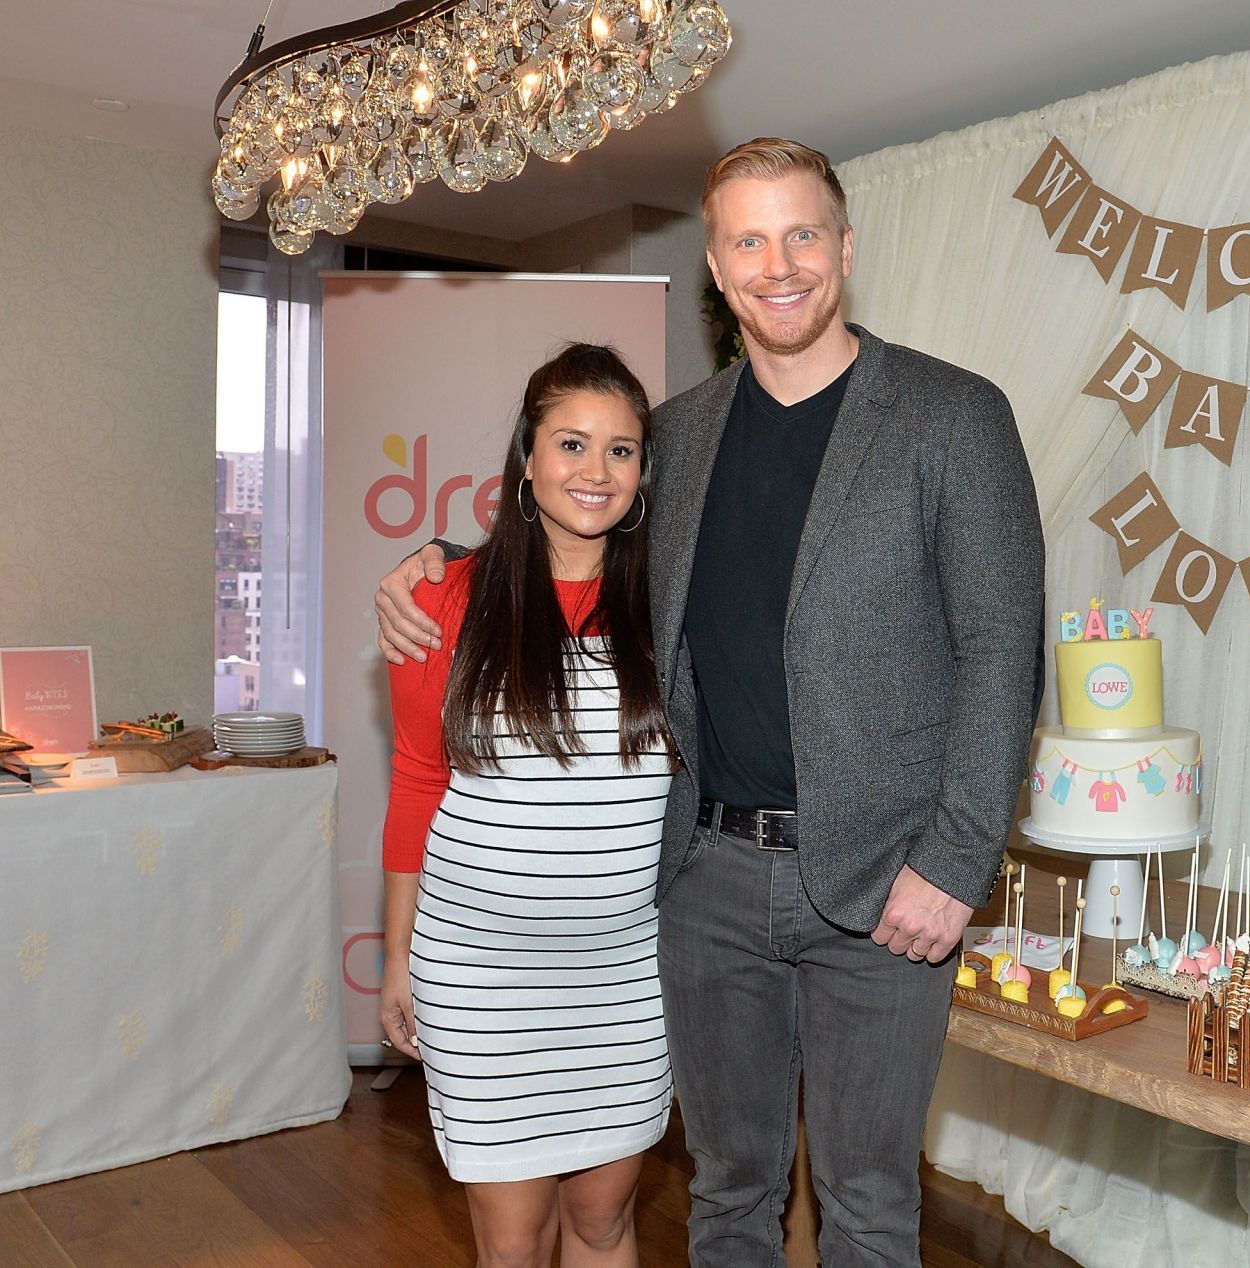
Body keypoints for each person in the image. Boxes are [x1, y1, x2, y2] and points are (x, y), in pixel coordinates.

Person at [377, 137, 1045, 1266]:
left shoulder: (953, 415)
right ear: (717, 269)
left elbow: (1002, 649)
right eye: (749, 239)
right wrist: (433, 562)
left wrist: (957, 860)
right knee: (728, 1192)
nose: (778, 263)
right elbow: (567, 531)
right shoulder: (675, 438)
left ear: (842, 246)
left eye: (801, 234)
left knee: (872, 1199)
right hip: (702, 885)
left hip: (885, 884)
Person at [379, 344, 676, 1268]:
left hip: (622, 981)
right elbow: (420, 777)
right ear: (528, 457)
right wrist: (395, 956)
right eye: (572, 444)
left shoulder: (671, 601)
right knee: (510, 1244)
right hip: (480, 980)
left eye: (621, 451)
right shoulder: (442, 596)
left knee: (601, 1222)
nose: (596, 471)